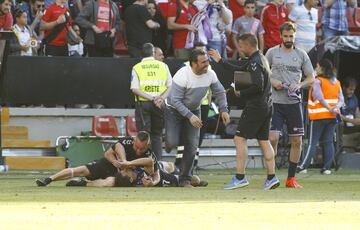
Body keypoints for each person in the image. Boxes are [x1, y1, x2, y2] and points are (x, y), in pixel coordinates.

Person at [209, 33, 280, 190]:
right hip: (267, 106)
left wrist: (240, 93)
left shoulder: (255, 63)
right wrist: (220, 61)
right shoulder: (260, 59)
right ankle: (272, 177)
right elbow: (240, 69)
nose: (239, 49)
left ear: (248, 45)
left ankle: (240, 177)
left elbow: (257, 86)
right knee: (264, 140)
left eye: (241, 46)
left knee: (239, 139)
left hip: (255, 106)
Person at [164, 49, 230, 187]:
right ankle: (169, 140)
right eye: (203, 62)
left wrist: (224, 110)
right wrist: (189, 116)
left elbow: (220, 91)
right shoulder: (183, 74)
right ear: (193, 63)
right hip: (173, 110)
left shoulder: (210, 74)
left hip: (195, 110)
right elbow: (175, 100)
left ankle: (185, 179)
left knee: (192, 146)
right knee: (172, 142)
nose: (207, 64)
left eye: (207, 61)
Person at [265, 22, 315, 188]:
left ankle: (291, 179)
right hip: (276, 102)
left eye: (291, 36)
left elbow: (311, 77)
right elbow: (263, 75)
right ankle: (270, 176)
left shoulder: (301, 54)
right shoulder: (272, 52)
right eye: (285, 36)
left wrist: (299, 85)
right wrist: (273, 82)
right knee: (272, 138)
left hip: (294, 104)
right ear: (281, 36)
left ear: (295, 36)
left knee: (297, 142)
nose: (288, 39)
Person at [35, 131, 154, 186]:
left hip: (122, 176)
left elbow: (152, 168)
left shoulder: (149, 154)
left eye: (141, 149)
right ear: (134, 141)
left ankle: (84, 184)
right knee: (80, 170)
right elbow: (108, 153)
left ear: (147, 146)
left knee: (108, 183)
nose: (138, 151)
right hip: (109, 165)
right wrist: (117, 161)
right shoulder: (127, 141)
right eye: (136, 147)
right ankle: (49, 179)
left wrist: (127, 165)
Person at [297, 59, 344, 175]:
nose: (315, 69)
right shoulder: (336, 82)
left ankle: (303, 166)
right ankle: (327, 168)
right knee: (328, 142)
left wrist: (329, 108)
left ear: (322, 68)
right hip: (333, 117)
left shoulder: (318, 81)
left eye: (317, 67)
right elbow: (341, 99)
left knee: (313, 142)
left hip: (319, 116)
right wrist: (335, 108)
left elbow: (318, 96)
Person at [131, 43, 172, 160]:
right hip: (160, 104)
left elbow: (135, 89)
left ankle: (144, 163)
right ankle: (157, 164)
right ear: (152, 53)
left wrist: (151, 98)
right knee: (157, 135)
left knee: (144, 136)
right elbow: (170, 86)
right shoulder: (163, 66)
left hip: (143, 104)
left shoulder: (137, 67)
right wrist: (161, 98)